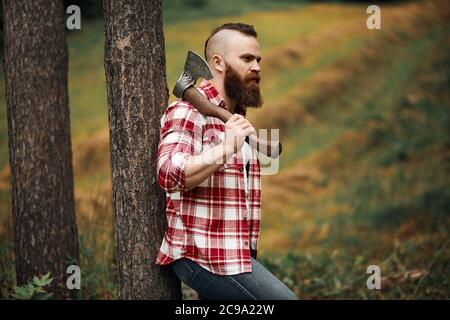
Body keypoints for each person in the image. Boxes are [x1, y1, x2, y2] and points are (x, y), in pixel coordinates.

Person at [155, 22, 297, 300]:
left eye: (258, 59)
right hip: (201, 255)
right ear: (217, 63)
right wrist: (225, 148)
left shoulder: (235, 120)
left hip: (234, 254)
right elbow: (168, 173)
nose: (256, 66)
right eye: (246, 59)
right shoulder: (187, 111)